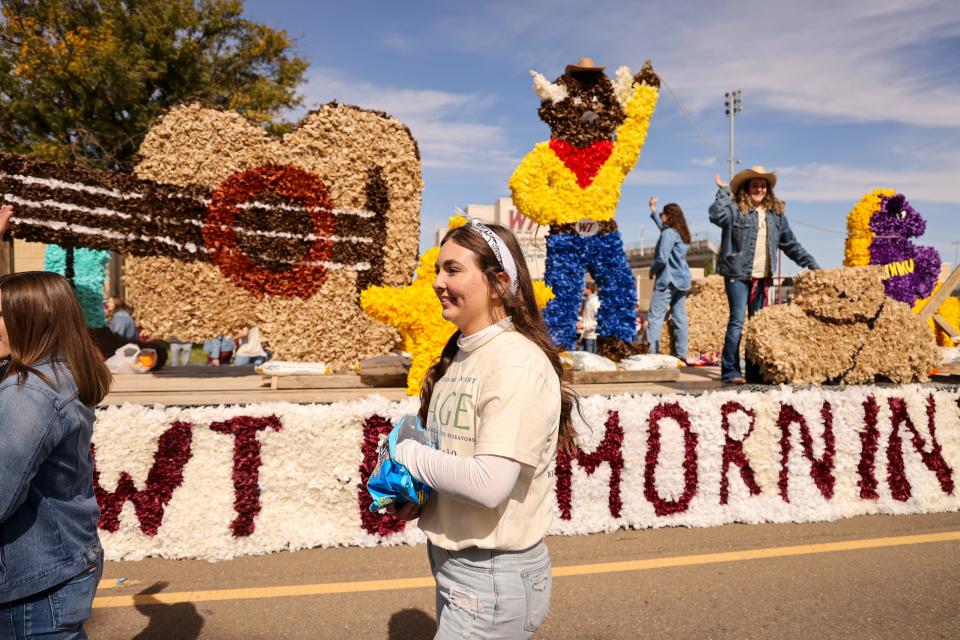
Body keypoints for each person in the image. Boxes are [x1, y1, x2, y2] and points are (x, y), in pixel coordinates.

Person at [387, 219, 579, 639]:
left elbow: (490, 483)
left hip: (492, 576)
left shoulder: (515, 363)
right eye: (438, 269)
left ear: (499, 282)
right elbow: (458, 456)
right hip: (462, 570)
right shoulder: (460, 355)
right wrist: (420, 498)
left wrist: (407, 455)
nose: (437, 282)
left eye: (453, 270)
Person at [0, 271, 110, 638]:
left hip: (34, 582)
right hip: (59, 564)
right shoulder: (57, 367)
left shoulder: (29, 395)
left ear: (30, 320)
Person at [709, 167, 819, 384]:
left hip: (762, 276)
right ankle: (730, 371)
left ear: (767, 190)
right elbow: (715, 215)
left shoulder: (775, 215)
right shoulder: (734, 209)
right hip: (738, 274)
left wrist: (812, 264)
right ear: (746, 188)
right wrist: (722, 191)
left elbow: (790, 244)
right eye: (754, 185)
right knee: (737, 321)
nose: (759, 189)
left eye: (762, 185)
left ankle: (754, 371)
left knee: (757, 324)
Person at [646, 196, 692, 360]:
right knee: (679, 318)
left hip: (667, 280)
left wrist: (652, 270)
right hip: (682, 281)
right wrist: (653, 209)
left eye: (662, 214)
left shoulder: (668, 234)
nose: (661, 217)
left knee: (655, 317)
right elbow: (663, 229)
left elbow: (661, 258)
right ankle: (682, 355)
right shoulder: (680, 233)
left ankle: (651, 354)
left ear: (668, 216)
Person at [576, 281, 600, 353]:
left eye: (583, 288)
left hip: (591, 337)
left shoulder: (595, 302)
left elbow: (598, 321)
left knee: (590, 361)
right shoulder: (587, 300)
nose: (582, 290)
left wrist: (584, 325)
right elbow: (588, 318)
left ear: (589, 289)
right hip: (584, 335)